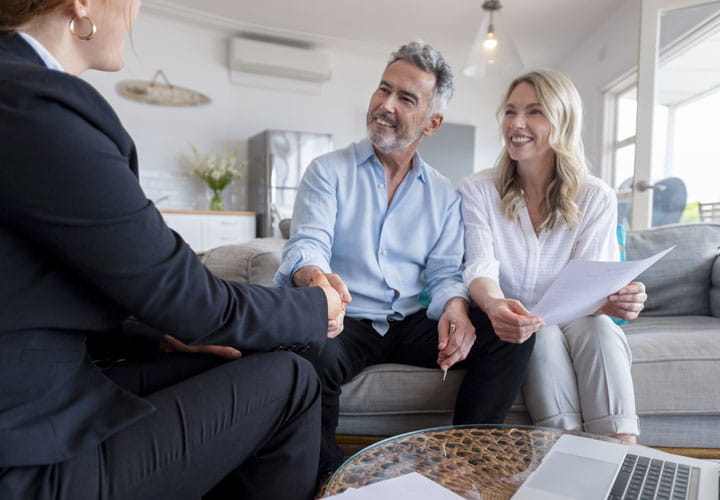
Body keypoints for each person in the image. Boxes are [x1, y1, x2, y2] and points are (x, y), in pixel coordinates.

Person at [0, 2, 344, 499]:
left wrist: (158, 336)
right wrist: (317, 307)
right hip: (26, 456)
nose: (136, 11)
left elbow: (34, 294)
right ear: (82, 4)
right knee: (293, 380)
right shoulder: (31, 103)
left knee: (227, 362)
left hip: (45, 396)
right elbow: (192, 299)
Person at [274, 40, 535, 478]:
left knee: (510, 333)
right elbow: (308, 243)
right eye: (383, 89)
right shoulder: (327, 171)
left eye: (405, 98)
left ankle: (468, 467)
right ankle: (327, 480)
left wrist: (456, 309)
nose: (385, 104)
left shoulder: (443, 195)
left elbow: (445, 272)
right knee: (307, 352)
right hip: (347, 318)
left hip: (412, 321)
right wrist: (315, 277)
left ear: (432, 122)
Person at [459, 69, 647, 444]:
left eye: (534, 112)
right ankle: (565, 448)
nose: (516, 123)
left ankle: (621, 446)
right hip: (520, 320)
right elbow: (479, 266)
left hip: (581, 317)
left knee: (600, 329)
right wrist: (496, 306)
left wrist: (618, 300)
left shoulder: (596, 196)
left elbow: (592, 283)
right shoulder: (478, 189)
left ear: (563, 120)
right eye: (510, 111)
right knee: (539, 334)